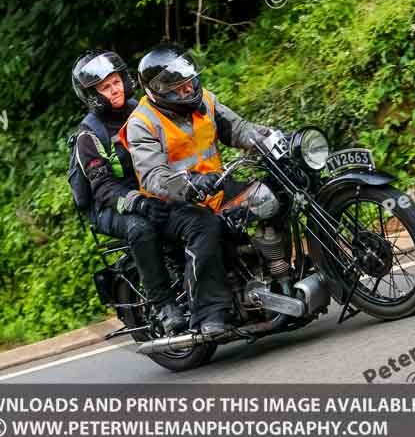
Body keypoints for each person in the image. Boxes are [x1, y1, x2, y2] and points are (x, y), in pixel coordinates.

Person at [119, 44, 271, 336]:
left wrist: (271, 138)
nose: (188, 89)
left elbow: (239, 130)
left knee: (267, 197)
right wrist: (187, 184)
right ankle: (209, 314)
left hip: (214, 188)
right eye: (179, 87)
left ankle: (274, 275)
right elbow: (153, 175)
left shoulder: (206, 103)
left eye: (189, 81)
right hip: (170, 205)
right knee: (205, 227)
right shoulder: (142, 122)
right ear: (158, 91)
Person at [70, 50, 185, 334]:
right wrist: (139, 203)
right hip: (109, 206)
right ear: (92, 94)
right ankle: (163, 305)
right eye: (105, 87)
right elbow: (105, 188)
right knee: (141, 228)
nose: (115, 89)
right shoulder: (90, 135)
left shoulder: (143, 109)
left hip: (149, 189)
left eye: (116, 81)